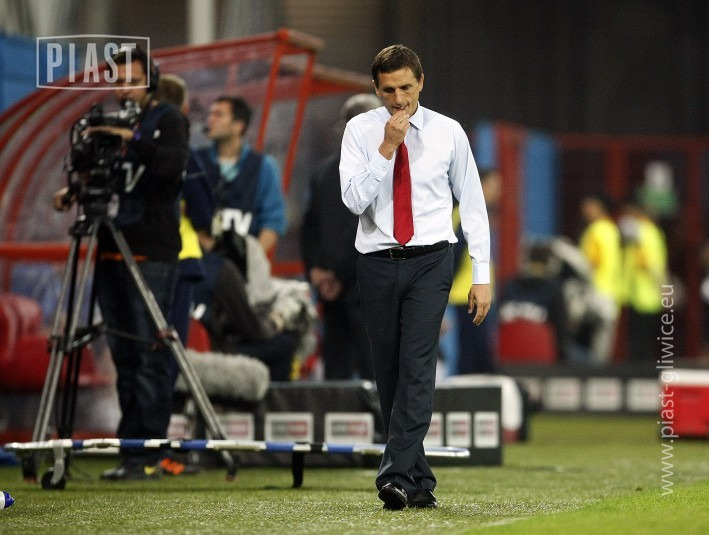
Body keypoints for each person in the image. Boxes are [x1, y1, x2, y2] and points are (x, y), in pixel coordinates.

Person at [340, 44, 491, 510]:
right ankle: (418, 481)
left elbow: (473, 205)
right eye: (389, 90)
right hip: (376, 261)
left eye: (406, 87)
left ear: (421, 82)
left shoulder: (449, 132)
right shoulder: (360, 131)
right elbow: (353, 201)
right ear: (375, 89)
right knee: (388, 372)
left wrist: (482, 274)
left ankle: (394, 474)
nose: (399, 98)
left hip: (431, 260)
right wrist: (386, 147)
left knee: (418, 366)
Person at [53, 47, 188, 480]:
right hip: (110, 244)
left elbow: (170, 169)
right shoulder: (109, 125)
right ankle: (131, 451)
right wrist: (75, 192)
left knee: (149, 352)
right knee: (123, 356)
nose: (124, 89)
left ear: (151, 82)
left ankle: (150, 451)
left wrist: (129, 136)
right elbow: (105, 175)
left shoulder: (168, 119)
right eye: (119, 81)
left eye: (133, 80)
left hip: (151, 251)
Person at [301, 93, 381, 380]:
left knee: (369, 373)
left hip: (366, 291)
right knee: (347, 375)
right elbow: (310, 226)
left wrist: (326, 274)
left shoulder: (384, 173)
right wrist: (317, 271)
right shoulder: (324, 173)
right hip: (339, 292)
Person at [154, 73, 214, 350]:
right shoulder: (185, 155)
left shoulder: (137, 148)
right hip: (181, 256)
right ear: (185, 108)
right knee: (171, 343)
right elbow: (203, 209)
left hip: (138, 256)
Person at [195, 96, 286, 257]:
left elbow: (273, 219)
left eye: (219, 114)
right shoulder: (196, 161)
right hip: (199, 259)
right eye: (210, 114)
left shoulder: (263, 166)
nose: (210, 119)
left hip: (244, 261)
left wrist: (250, 258)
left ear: (238, 126)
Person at [449, 168, 501, 374]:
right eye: (493, 186)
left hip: (475, 294)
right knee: (472, 352)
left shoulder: (469, 212)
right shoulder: (467, 213)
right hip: (467, 296)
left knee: (476, 350)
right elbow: (455, 254)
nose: (498, 192)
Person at [619, 198, 668, 362]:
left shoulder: (645, 232)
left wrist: (662, 288)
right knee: (641, 338)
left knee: (641, 339)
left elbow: (649, 262)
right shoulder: (648, 232)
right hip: (641, 293)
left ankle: (642, 369)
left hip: (644, 293)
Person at [578, 193, 622, 364]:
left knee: (591, 343)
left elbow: (591, 263)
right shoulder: (612, 229)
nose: (585, 210)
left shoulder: (595, 230)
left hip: (595, 291)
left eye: (589, 205)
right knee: (604, 342)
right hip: (611, 291)